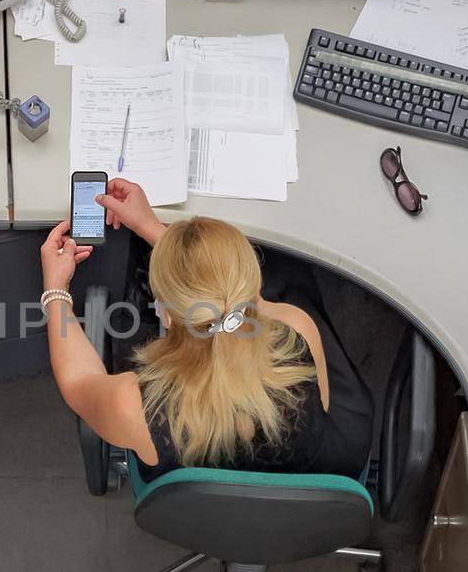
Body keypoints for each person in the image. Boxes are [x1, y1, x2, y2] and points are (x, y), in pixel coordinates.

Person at [39, 179, 373, 482]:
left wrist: (56, 290)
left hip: (199, 516)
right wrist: (151, 227)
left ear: (165, 313)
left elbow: (78, 381)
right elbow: (239, 300)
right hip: (311, 494)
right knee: (297, 282)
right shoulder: (296, 327)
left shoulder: (137, 408)